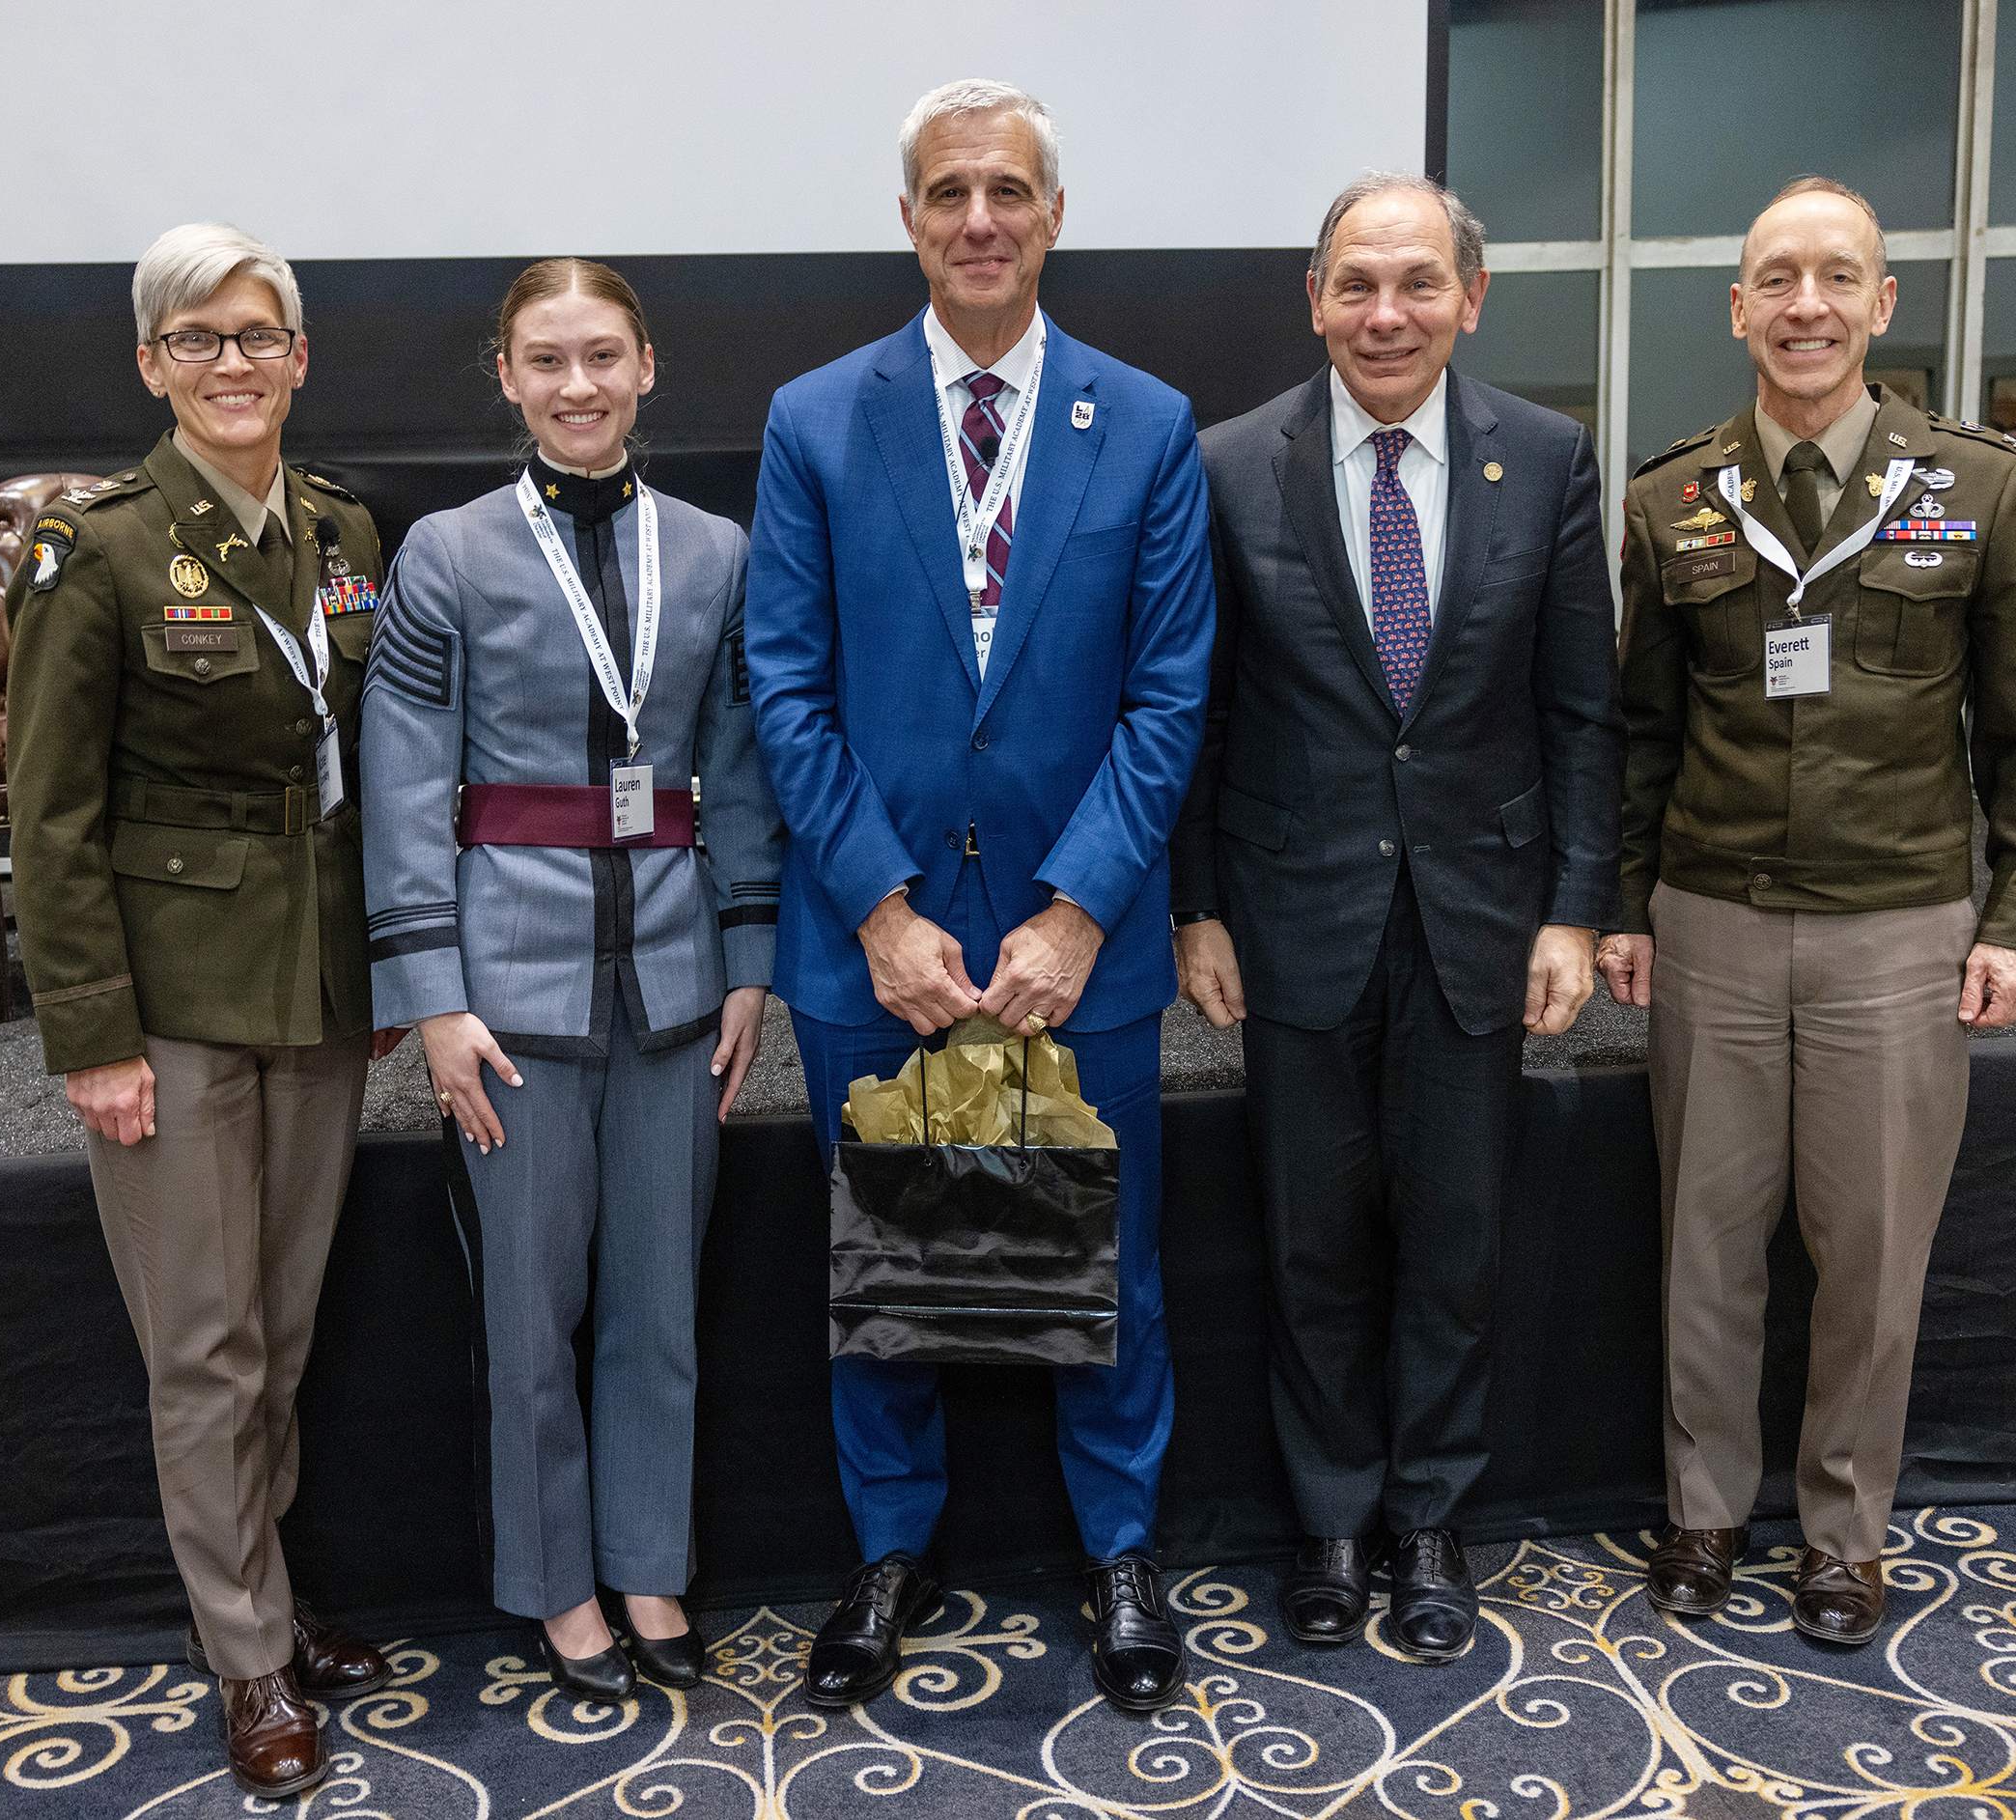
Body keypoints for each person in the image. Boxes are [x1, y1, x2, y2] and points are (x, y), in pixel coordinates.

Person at [745, 78, 1216, 1716]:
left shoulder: (1145, 423)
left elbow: (1169, 696)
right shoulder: (817, 420)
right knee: (884, 1265)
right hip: (872, 946)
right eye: (949, 192)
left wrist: (1078, 911)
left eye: (1009, 189)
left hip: (1080, 945)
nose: (980, 219)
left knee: (1109, 1264)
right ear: (907, 220)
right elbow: (785, 688)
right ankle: (890, 1550)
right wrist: (878, 910)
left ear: (1055, 215)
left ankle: (1123, 1549)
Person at [1602, 177, 2016, 1648]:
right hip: (1714, 923)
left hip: (1898, 929)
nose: (1804, 305)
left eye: (1835, 277)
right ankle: (1702, 1509)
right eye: (1776, 279)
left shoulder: (1978, 488)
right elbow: (1641, 736)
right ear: (1737, 309)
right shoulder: (1672, 499)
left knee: (1873, 1260)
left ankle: (1842, 1531)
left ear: (1882, 303)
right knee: (1706, 1249)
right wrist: (1625, 907)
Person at [1167, 172, 1623, 1664]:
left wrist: (1574, 908)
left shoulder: (1546, 458)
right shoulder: (1228, 463)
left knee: (1455, 1239)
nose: (1386, 312)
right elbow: (1196, 711)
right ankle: (1330, 1518)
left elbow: (1582, 709)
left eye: (1418, 281)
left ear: (1468, 298)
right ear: (1314, 301)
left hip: (1481, 915)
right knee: (1309, 1245)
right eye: (1356, 284)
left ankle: (1429, 1516)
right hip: (1292, 916)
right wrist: (1196, 906)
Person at [4, 223, 398, 1800]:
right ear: (151, 365)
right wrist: (92, 1035)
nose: (231, 364)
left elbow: (367, 767)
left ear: (299, 358)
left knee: (278, 1333)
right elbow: (49, 819)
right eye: (197, 339)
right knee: (205, 1347)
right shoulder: (94, 549)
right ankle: (246, 1654)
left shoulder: (341, 526)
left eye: (256, 336)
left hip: (318, 986)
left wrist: (388, 969)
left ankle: (270, 1601)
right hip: (167, 1002)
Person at [359, 258, 784, 1701]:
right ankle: (557, 1587)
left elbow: (739, 765)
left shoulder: (715, 552)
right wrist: (432, 997)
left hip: (675, 975)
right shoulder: (446, 554)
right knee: (530, 1319)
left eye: (602, 355)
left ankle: (649, 1561)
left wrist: (749, 961)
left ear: (647, 366)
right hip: (507, 988)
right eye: (546, 360)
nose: (578, 385)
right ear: (507, 378)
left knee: (661, 1301)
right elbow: (402, 783)